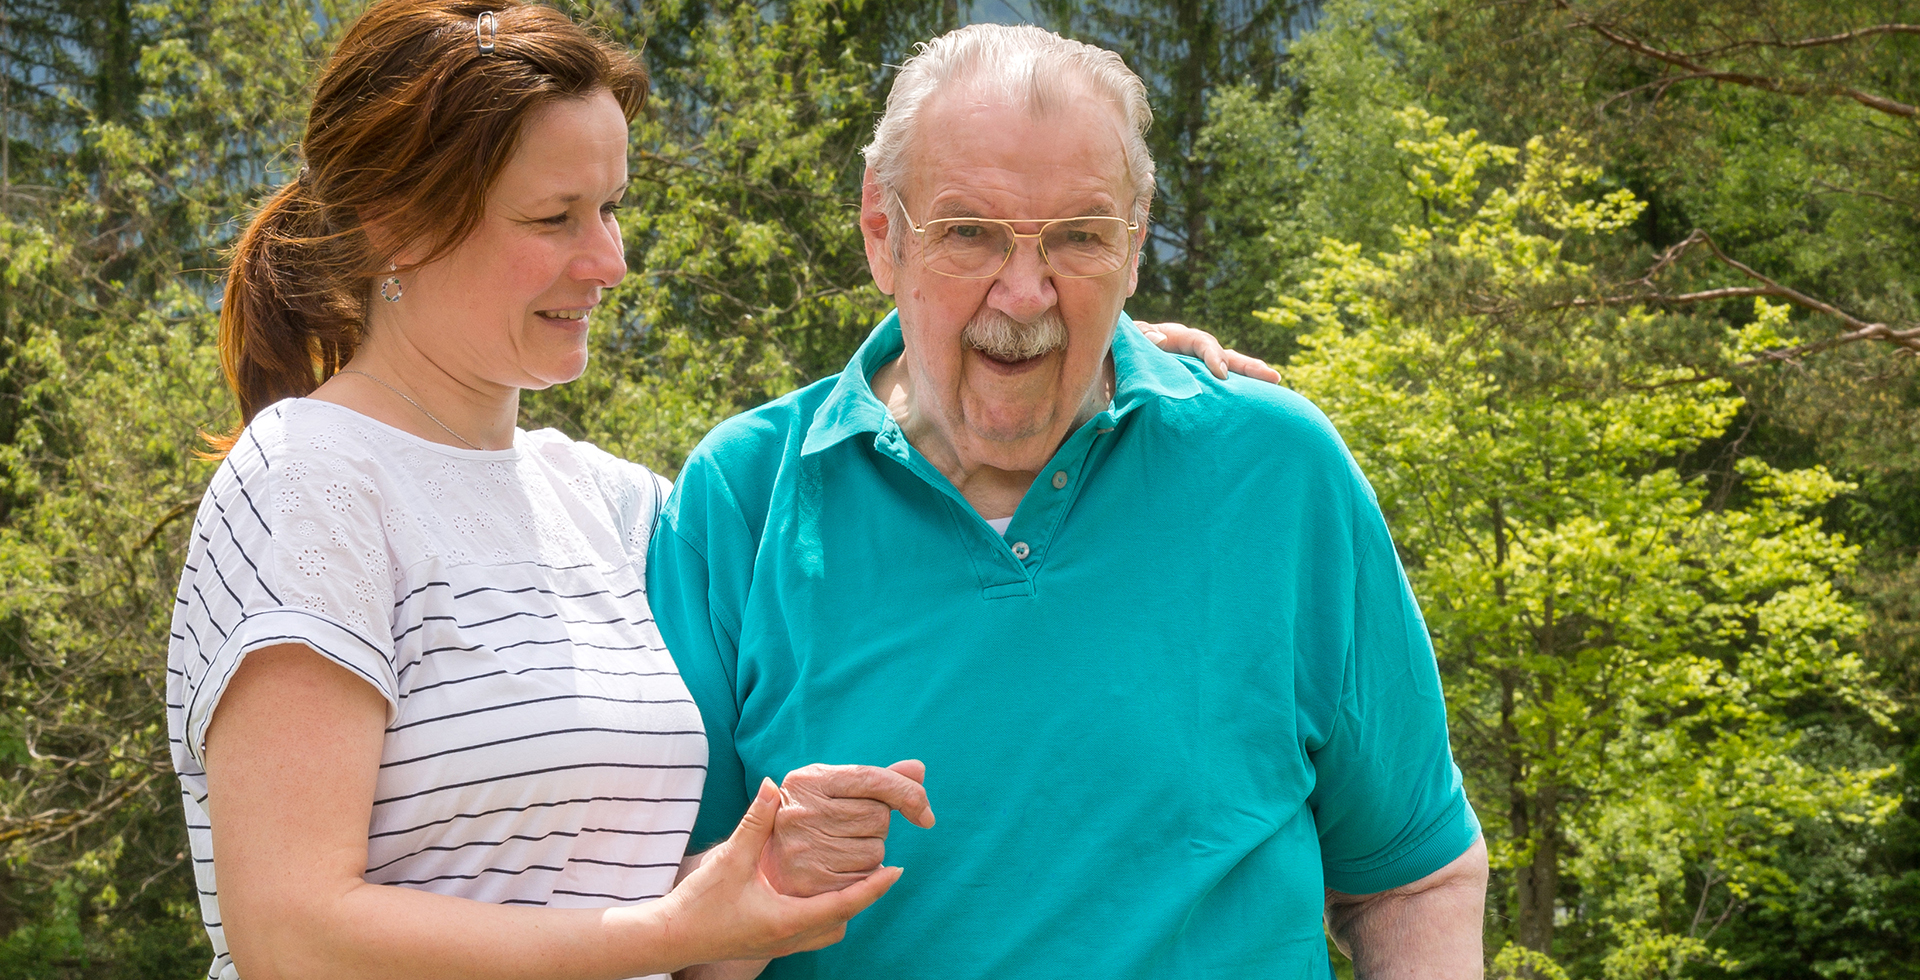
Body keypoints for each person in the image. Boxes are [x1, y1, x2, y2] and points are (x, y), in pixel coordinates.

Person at [165, 5, 1263, 979]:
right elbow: (291, 936)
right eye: (555, 219)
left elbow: (850, 453)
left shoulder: (611, 503)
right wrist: (662, 932)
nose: (609, 258)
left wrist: (1080, 356)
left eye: (612, 207)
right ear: (398, 227)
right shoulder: (310, 480)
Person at [649, 23, 1490, 980]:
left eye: (1079, 237)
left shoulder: (1277, 469)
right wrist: (746, 881)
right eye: (969, 233)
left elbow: (1414, 875)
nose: (1024, 292)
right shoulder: (742, 496)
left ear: (1134, 250)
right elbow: (645, 931)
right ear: (883, 236)